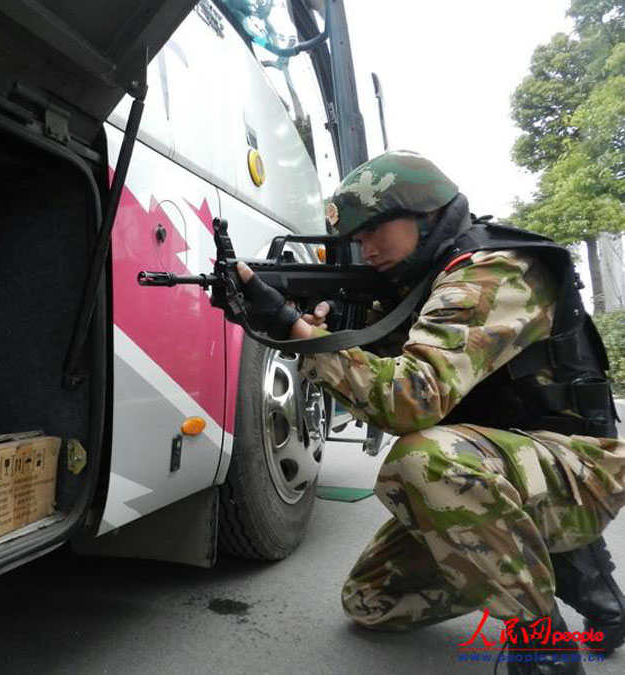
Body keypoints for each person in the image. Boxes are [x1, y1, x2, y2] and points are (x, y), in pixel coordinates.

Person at [230, 151, 625, 675]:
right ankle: (570, 565)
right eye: (356, 237)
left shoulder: (491, 273)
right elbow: (379, 381)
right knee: (370, 602)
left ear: (424, 213)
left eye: (374, 229)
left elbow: (408, 401)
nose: (366, 248)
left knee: (423, 461)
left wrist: (300, 335)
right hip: (507, 466)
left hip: (579, 468)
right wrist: (329, 327)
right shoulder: (416, 284)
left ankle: (543, 642)